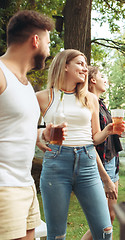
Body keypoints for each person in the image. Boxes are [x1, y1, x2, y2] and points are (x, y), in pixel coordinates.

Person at [37, 49, 118, 239]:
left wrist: (108, 131)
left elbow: (95, 137)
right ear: (65, 66)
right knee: (57, 234)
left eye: (85, 65)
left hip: (87, 162)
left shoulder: (90, 98)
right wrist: (40, 137)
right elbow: (25, 128)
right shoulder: (43, 97)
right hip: (56, 163)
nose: (85, 68)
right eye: (80, 64)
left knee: (105, 230)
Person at [0, 10, 54, 240]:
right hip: (4, 188)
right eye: (48, 42)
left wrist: (41, 134)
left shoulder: (25, 84)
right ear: (35, 40)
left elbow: (12, 127)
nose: (49, 50)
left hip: (25, 185)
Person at [82, 66, 125, 240]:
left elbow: (108, 131)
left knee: (111, 216)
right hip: (100, 162)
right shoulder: (87, 104)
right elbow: (92, 139)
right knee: (102, 222)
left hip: (112, 160)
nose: (105, 80)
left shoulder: (101, 104)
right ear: (92, 80)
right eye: (101, 76)